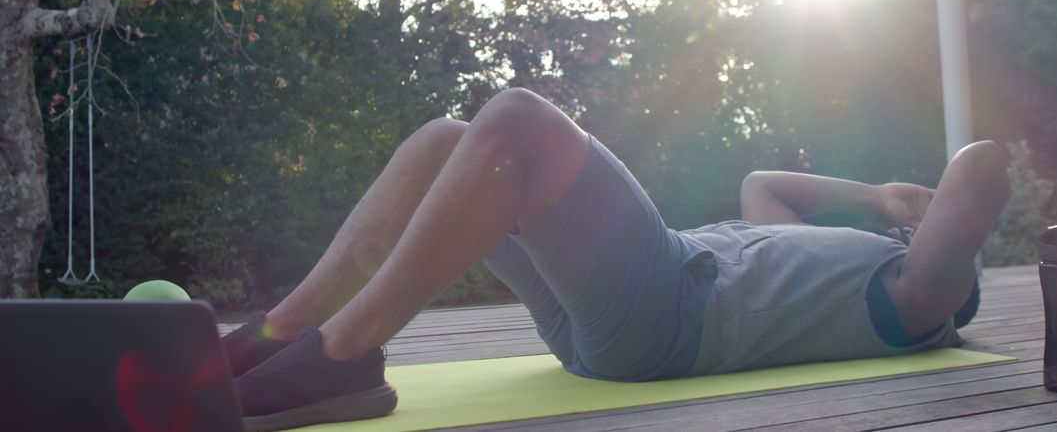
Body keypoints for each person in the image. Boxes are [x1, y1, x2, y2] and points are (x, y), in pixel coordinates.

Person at [223, 88, 1011, 431]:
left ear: (948, 264)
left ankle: (341, 357)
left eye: (937, 233)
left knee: (520, 120)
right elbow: (761, 183)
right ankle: (280, 332)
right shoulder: (849, 254)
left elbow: (984, 168)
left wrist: (942, 206)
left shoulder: (909, 303)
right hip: (605, 322)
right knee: (445, 142)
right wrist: (879, 198)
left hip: (667, 317)